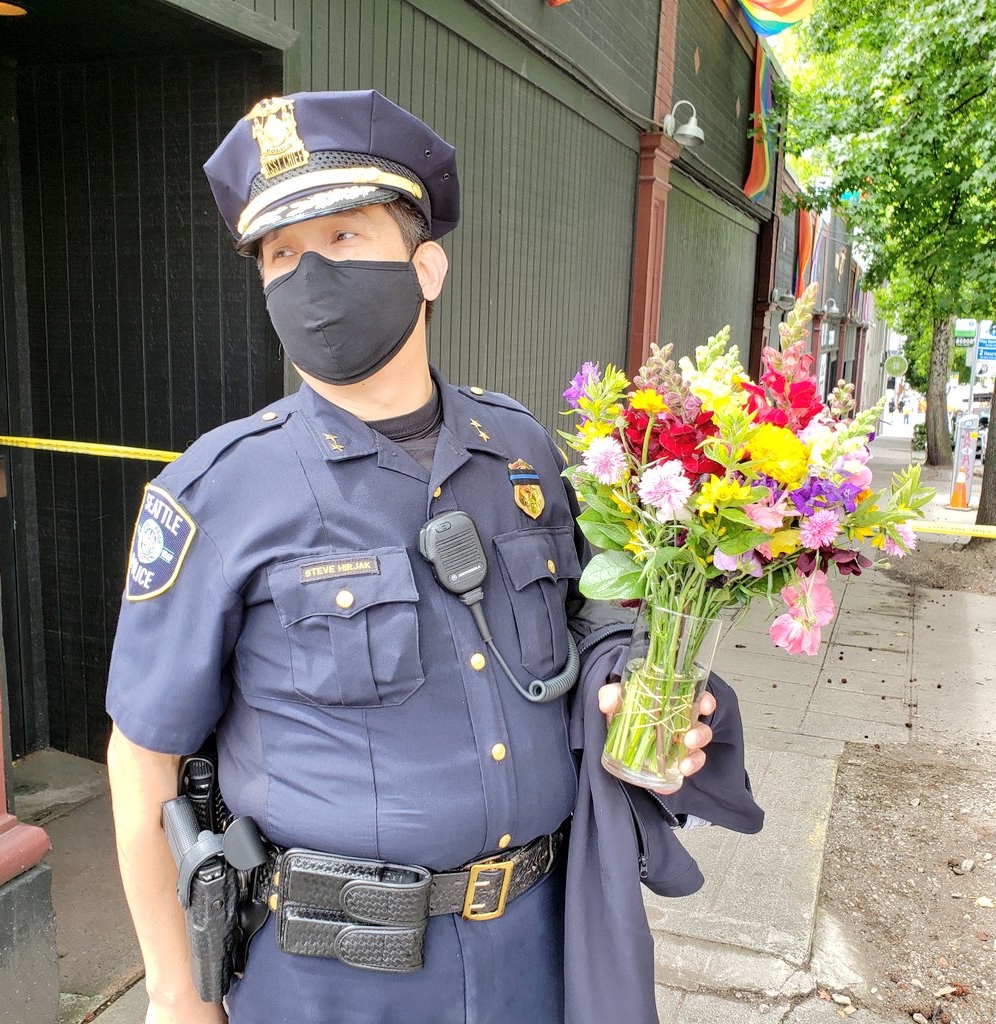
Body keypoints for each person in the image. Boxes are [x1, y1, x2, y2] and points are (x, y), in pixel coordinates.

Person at [105, 90, 723, 1024]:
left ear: (426, 266)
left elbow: (593, 623)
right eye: (281, 254)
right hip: (332, 979)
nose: (311, 274)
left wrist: (640, 702)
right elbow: (143, 759)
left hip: (541, 950)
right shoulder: (219, 491)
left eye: (344, 236)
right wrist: (175, 997)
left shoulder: (522, 453)